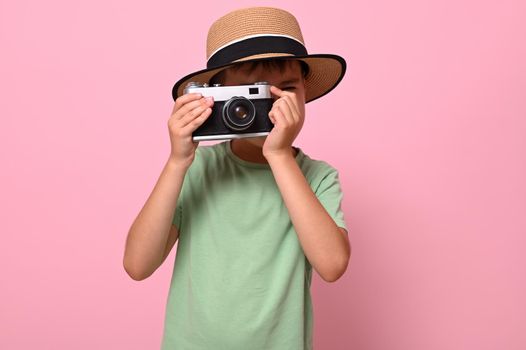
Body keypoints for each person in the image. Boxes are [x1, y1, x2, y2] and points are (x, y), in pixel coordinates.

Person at [123, 6, 351, 350]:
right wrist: (176, 161)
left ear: (305, 91)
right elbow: (138, 265)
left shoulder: (317, 177)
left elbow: (333, 265)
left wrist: (278, 155)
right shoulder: (198, 169)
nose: (271, 107)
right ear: (218, 98)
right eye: (250, 94)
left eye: (286, 89)